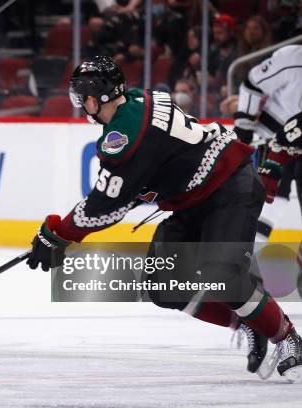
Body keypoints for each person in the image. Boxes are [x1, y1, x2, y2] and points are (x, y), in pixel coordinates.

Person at [27, 56, 302, 381]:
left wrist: (57, 233)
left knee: (225, 277)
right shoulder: (138, 99)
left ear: (92, 98)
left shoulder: (123, 137)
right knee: (164, 287)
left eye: (80, 98)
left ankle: (287, 337)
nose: (80, 106)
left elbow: (105, 206)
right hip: (194, 197)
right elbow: (131, 186)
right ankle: (247, 320)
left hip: (230, 186)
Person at [233, 45, 302, 241]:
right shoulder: (293, 58)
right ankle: (243, 258)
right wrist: (244, 126)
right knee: (269, 199)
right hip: (275, 140)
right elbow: (253, 84)